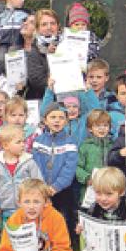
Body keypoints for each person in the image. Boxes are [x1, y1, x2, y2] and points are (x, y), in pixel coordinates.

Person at [31, 103, 80, 242]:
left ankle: (62, 241)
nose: (57, 120)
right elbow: (36, 163)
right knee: (43, 214)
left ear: (66, 121)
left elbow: (69, 168)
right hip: (42, 188)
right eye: (53, 117)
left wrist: (56, 186)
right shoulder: (38, 141)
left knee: (62, 215)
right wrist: (42, 185)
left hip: (62, 189)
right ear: (45, 120)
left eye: (60, 117)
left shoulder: (70, 143)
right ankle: (44, 241)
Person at [0, 124, 43, 230]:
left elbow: (38, 183)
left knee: (28, 233)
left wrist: (39, 200)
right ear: (6, 145)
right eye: (19, 142)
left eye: (23, 141)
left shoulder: (29, 162)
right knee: (9, 234)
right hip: (6, 208)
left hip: (27, 208)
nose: (23, 145)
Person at [76, 110, 113, 204]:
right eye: (97, 126)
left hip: (110, 189)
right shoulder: (85, 146)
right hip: (90, 190)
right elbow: (77, 167)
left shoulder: (113, 146)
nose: (102, 129)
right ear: (90, 128)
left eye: (105, 125)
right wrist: (87, 178)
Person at [25, 9, 61, 99]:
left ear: (58, 26)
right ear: (37, 28)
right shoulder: (34, 51)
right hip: (43, 98)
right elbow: (36, 80)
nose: (49, 27)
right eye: (44, 24)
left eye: (53, 23)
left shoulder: (66, 45)